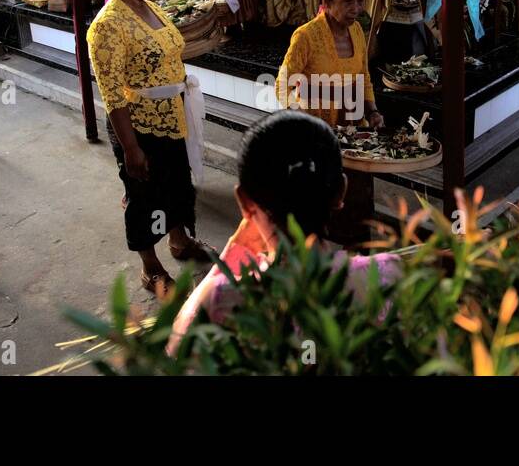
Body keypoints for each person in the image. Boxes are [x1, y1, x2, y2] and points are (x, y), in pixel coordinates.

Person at [169, 111, 402, 354]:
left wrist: (230, 258)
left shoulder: (221, 300)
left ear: (244, 201)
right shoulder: (387, 277)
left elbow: (178, 350)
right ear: (341, 191)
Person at [88, 0, 210, 302]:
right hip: (139, 126)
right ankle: (150, 266)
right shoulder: (107, 27)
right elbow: (111, 94)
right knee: (144, 194)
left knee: (176, 182)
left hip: (173, 115)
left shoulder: (149, 7)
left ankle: (178, 239)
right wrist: (131, 147)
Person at [276, 0, 385, 129]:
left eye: (360, 0)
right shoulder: (306, 36)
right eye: (348, 1)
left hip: (353, 129)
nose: (356, 8)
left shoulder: (357, 31)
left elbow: (363, 77)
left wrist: (372, 112)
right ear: (326, 1)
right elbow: (282, 86)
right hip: (316, 133)